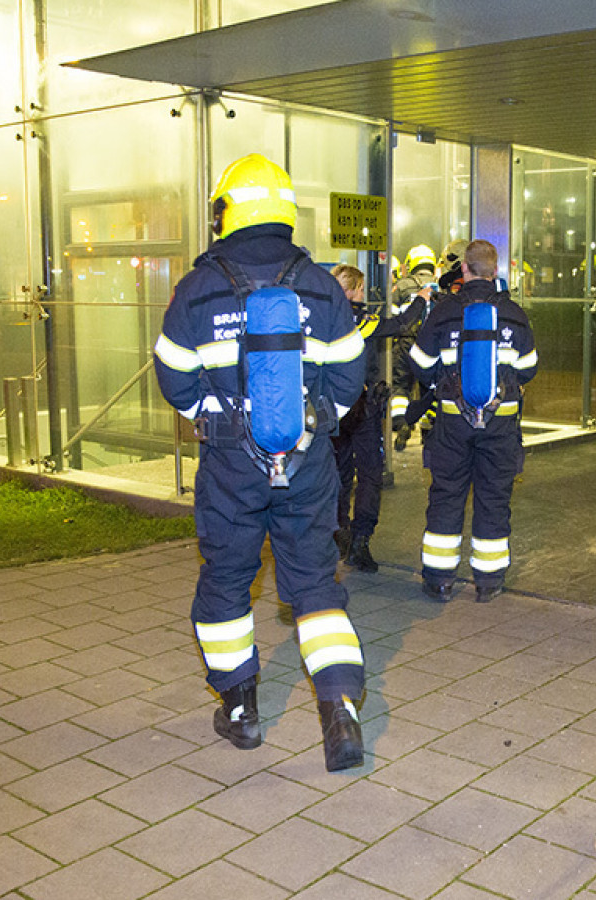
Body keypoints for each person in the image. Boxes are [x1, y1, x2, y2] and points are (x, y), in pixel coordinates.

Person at [153, 154, 368, 772]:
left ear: (227, 213)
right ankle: (341, 714)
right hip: (308, 466)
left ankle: (241, 711)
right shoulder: (322, 284)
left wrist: (217, 419)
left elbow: (173, 376)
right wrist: (311, 424)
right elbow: (350, 373)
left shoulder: (197, 289)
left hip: (229, 466)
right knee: (315, 588)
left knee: (227, 581)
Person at [408, 240, 537, 603]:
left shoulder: (445, 310)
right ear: (495, 270)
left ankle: (439, 580)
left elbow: (417, 362)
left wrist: (442, 379)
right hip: (501, 425)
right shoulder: (514, 313)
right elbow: (529, 369)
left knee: (447, 494)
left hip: (452, 422)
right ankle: (489, 581)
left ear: (463, 269)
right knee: (494, 497)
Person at [330, 263, 427, 573]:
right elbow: (401, 324)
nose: (362, 293)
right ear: (347, 291)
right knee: (370, 474)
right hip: (362, 411)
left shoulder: (323, 321)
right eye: (357, 288)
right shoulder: (360, 321)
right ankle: (360, 541)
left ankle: (338, 533)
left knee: (340, 475)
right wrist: (422, 299)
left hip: (332, 411)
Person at [388, 245, 438, 447]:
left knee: (400, 385)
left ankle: (401, 423)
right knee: (431, 387)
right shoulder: (438, 287)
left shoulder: (401, 286)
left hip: (406, 343)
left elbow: (391, 318)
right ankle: (428, 425)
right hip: (431, 345)